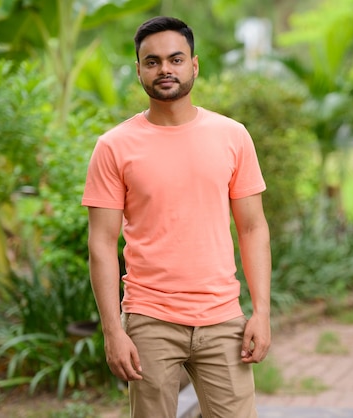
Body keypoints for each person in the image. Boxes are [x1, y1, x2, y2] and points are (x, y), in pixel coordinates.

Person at [81, 16, 271, 418]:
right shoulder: (114, 146)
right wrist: (114, 332)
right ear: (138, 70)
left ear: (194, 65)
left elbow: (253, 228)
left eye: (175, 59)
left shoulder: (232, 136)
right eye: (152, 62)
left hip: (222, 317)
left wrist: (262, 312)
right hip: (150, 319)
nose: (164, 69)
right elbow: (101, 243)